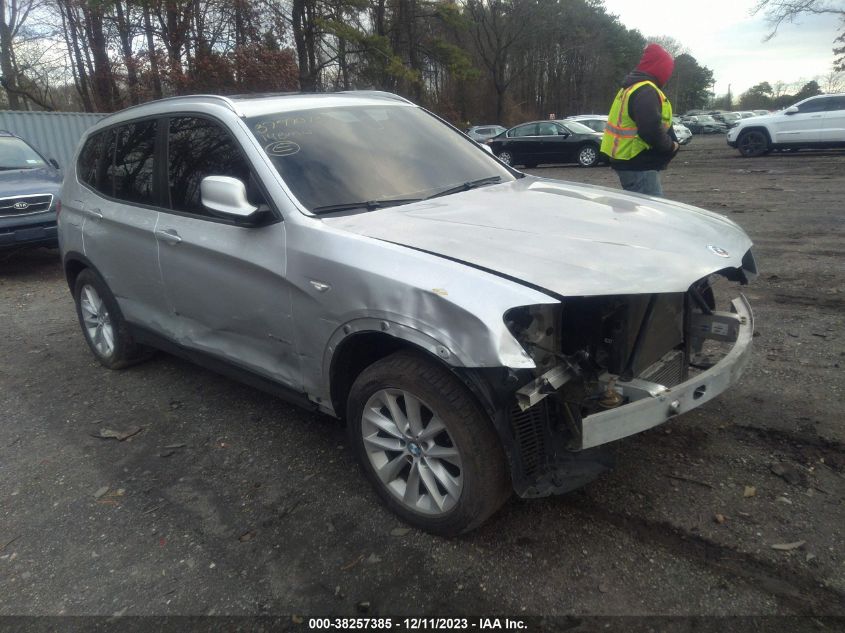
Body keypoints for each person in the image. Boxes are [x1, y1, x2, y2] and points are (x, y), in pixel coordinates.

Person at [601, 43, 679, 197]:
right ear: (659, 68)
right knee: (650, 215)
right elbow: (649, 130)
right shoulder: (646, 91)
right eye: (667, 70)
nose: (668, 76)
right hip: (639, 164)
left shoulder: (631, 88)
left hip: (629, 162)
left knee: (634, 213)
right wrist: (670, 146)